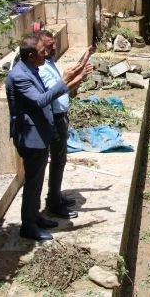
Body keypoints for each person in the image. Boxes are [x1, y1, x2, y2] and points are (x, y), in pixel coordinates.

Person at [6, 35, 93, 240]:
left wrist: (74, 79)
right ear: (30, 56)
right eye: (41, 51)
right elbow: (40, 101)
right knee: (33, 183)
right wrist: (64, 80)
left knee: (37, 181)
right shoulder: (19, 76)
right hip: (31, 138)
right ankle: (28, 225)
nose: (46, 53)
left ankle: (35, 216)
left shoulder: (31, 69)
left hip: (40, 134)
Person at [37, 29, 95, 219]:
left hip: (61, 116)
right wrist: (80, 78)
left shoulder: (50, 63)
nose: (54, 47)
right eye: (49, 45)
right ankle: (53, 203)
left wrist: (86, 56)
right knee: (58, 160)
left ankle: (56, 196)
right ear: (40, 46)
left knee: (60, 160)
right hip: (54, 119)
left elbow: (69, 76)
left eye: (54, 44)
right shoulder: (43, 69)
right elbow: (60, 89)